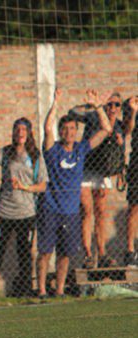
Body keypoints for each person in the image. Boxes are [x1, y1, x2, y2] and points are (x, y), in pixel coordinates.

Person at [37, 89, 112, 298]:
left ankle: (59, 290)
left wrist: (98, 107)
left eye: (72, 129)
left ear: (76, 131)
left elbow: (106, 129)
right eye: (66, 129)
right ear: (61, 131)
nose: (69, 132)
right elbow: (46, 128)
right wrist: (55, 103)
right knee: (45, 252)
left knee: (65, 254)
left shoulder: (80, 149)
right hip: (51, 208)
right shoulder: (53, 151)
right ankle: (42, 291)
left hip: (70, 212)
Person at [0, 118, 48, 298]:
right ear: (13, 132)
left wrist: (24, 187)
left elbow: (42, 185)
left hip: (26, 213)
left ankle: (25, 291)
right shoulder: (6, 152)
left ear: (29, 132)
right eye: (17, 129)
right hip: (5, 212)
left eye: (24, 129)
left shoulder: (35, 156)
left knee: (24, 253)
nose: (20, 133)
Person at [70, 92, 125, 266]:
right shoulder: (94, 117)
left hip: (103, 173)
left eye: (117, 105)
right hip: (86, 169)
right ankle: (87, 254)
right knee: (87, 211)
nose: (113, 108)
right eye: (109, 104)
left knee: (100, 213)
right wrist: (92, 105)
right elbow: (72, 113)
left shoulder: (119, 125)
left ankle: (101, 254)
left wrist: (120, 172)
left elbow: (119, 153)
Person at [123, 96, 138, 266]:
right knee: (134, 207)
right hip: (136, 165)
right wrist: (133, 112)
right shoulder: (132, 105)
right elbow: (128, 130)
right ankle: (130, 250)